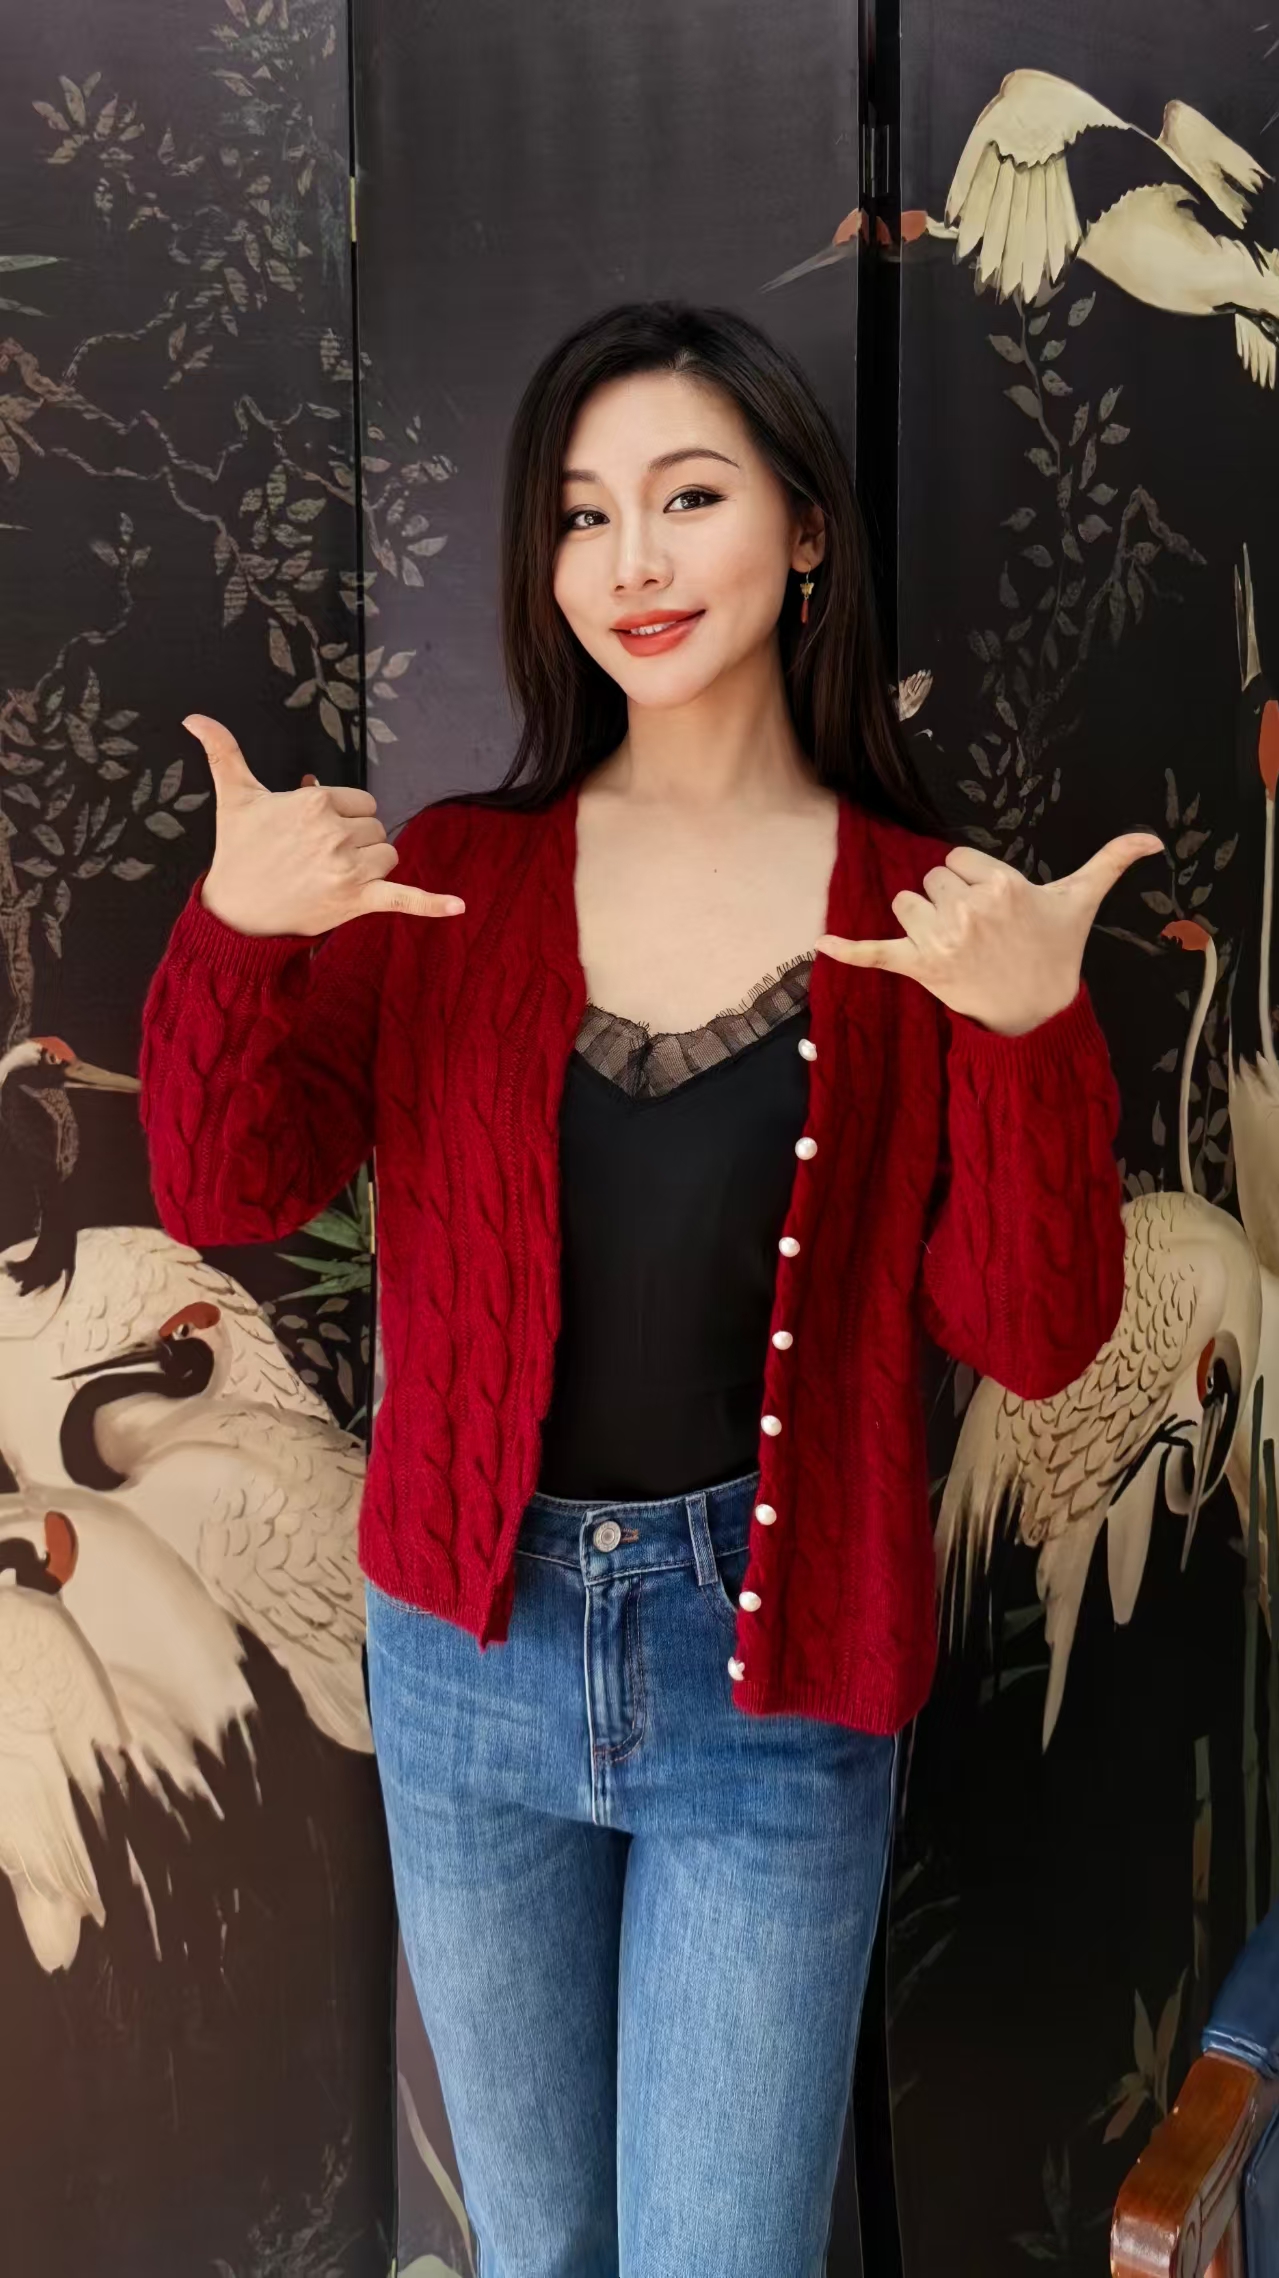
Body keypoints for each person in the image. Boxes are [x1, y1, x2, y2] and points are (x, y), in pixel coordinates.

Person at [139, 300, 1153, 2278]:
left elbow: (1031, 1336)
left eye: (689, 496)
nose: (633, 559)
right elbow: (224, 1182)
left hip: (779, 1678)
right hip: (468, 1648)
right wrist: (239, 932)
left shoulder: (924, 910)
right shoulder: (451, 878)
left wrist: (1033, 1038)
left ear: (803, 528)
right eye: (584, 513)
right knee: (539, 2248)